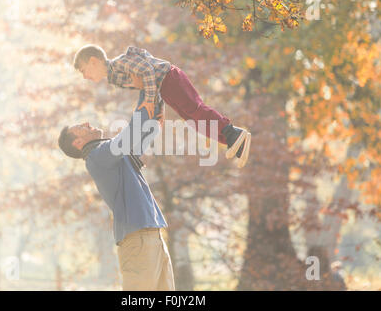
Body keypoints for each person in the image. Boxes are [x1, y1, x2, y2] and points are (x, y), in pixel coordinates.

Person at [58, 90, 175, 291]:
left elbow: (143, 137)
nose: (86, 123)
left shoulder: (111, 155)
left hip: (151, 236)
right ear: (78, 143)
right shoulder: (97, 156)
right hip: (138, 240)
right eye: (80, 127)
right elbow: (129, 136)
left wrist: (156, 101)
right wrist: (146, 92)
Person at [73, 44, 251, 168]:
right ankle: (234, 142)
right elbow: (148, 84)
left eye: (83, 70)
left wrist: (150, 101)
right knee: (192, 120)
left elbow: (148, 71)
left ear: (93, 61)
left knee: (195, 110)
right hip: (165, 87)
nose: (84, 76)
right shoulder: (115, 78)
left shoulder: (120, 63)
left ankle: (232, 132)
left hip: (169, 78)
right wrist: (158, 109)